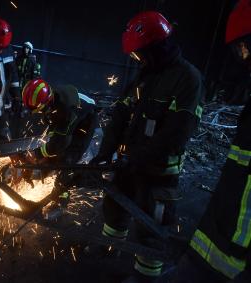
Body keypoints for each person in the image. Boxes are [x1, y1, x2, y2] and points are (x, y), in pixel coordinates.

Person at [90, 11, 205, 282]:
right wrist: (104, 155)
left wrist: (137, 158)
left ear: (156, 47)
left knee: (151, 226)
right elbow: (120, 117)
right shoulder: (145, 75)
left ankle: (145, 276)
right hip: (127, 165)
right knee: (115, 209)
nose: (137, 60)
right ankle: (110, 248)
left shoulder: (188, 78)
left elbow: (176, 133)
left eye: (140, 54)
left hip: (158, 172)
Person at [175, 1, 251, 282]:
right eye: (241, 51)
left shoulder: (188, 79)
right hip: (220, 238)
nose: (245, 58)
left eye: (246, 48)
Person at [15, 79, 97, 199]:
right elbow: (54, 137)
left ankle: (62, 198)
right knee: (51, 151)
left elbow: (59, 144)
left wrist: (37, 154)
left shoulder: (66, 110)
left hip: (86, 121)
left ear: (46, 103)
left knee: (67, 159)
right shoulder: (52, 99)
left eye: (40, 110)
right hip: (69, 115)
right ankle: (48, 172)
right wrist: (42, 157)